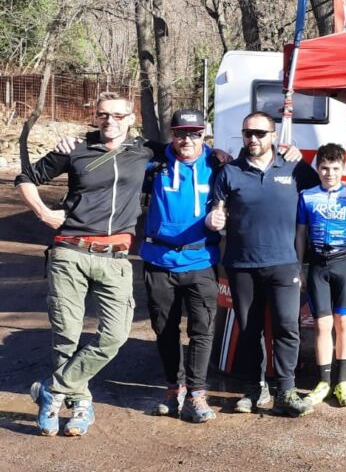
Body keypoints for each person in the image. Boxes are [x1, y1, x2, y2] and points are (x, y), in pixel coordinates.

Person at [16, 92, 157, 436]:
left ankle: (52, 389)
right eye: (103, 115)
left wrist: (221, 154)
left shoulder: (145, 150)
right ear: (96, 117)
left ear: (131, 119)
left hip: (115, 257)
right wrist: (44, 213)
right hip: (70, 252)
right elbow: (25, 178)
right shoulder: (75, 148)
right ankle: (79, 403)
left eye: (118, 115)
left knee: (115, 335)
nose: (110, 121)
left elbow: (189, 150)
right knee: (66, 335)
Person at [206, 111, 319, 418]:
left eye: (259, 133)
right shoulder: (230, 172)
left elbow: (326, 187)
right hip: (242, 264)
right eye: (248, 133)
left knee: (287, 327)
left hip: (284, 263)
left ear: (273, 135)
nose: (253, 138)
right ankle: (253, 389)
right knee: (249, 329)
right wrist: (215, 218)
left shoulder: (294, 167)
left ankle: (285, 391)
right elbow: (217, 208)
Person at [140, 109, 222, 423]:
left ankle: (197, 394)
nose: (187, 140)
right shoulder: (155, 163)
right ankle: (174, 389)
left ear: (204, 135)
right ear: (171, 135)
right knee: (165, 330)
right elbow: (117, 153)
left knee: (202, 330)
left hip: (201, 260)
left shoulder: (218, 165)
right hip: (159, 260)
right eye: (180, 133)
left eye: (194, 134)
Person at [296, 144, 346, 408]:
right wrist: (298, 266)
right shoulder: (307, 197)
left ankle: (342, 382)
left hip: (345, 265)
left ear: (343, 168)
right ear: (317, 169)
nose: (330, 173)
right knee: (322, 325)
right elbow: (300, 234)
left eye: (335, 168)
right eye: (325, 168)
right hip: (318, 266)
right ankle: (324, 382)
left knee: (344, 323)